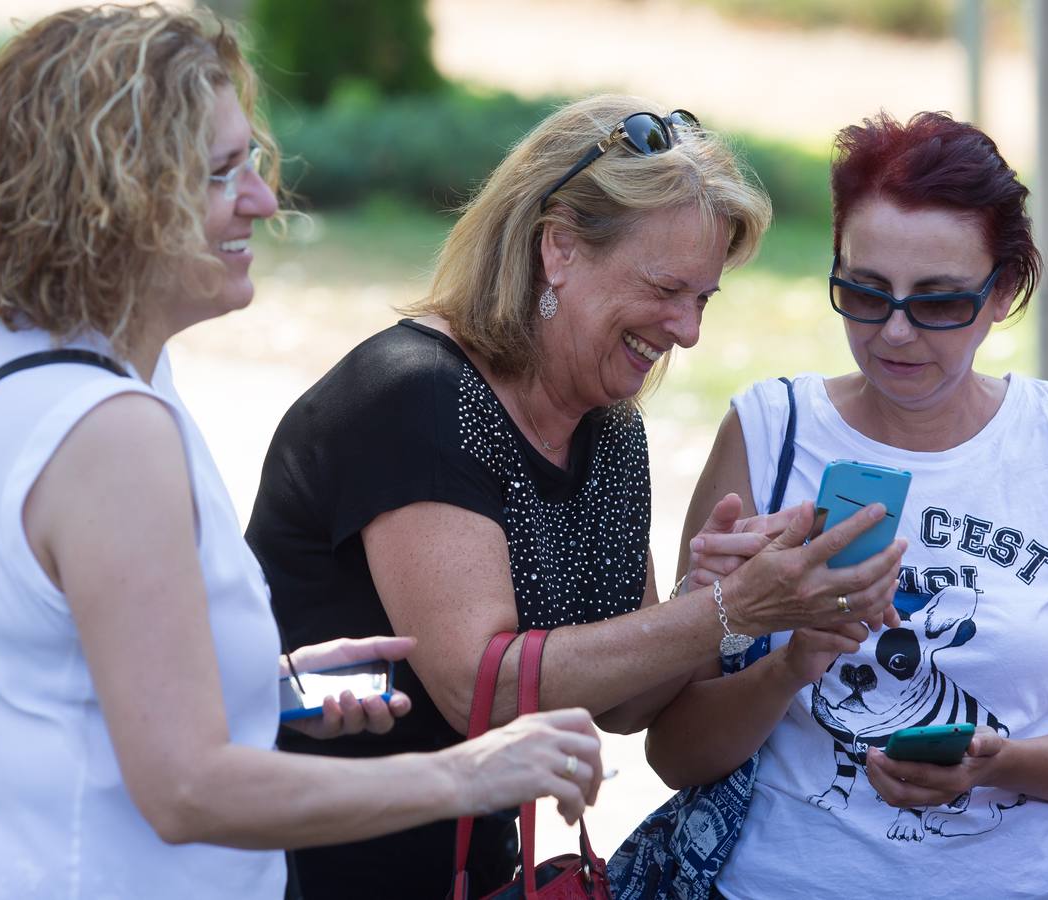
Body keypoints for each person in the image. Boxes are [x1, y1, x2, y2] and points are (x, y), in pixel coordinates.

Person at [0, 7, 606, 899]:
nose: (265, 200)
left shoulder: (36, 360)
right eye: (221, 173)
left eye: (253, 163)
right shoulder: (109, 430)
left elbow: (63, 683)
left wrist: (263, 688)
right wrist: (470, 773)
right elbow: (187, 789)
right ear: (112, 199)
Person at [246, 94, 908, 897]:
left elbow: (627, 705)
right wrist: (728, 611)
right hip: (302, 868)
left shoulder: (607, 429)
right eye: (667, 287)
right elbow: (480, 690)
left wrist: (710, 597)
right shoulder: (414, 397)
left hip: (468, 873)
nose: (688, 330)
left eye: (702, 298)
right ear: (558, 249)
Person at [644, 110, 1048, 898]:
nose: (893, 333)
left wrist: (1000, 763)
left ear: (1004, 293)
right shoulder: (769, 430)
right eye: (863, 291)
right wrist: (775, 652)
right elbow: (675, 754)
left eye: (939, 302)